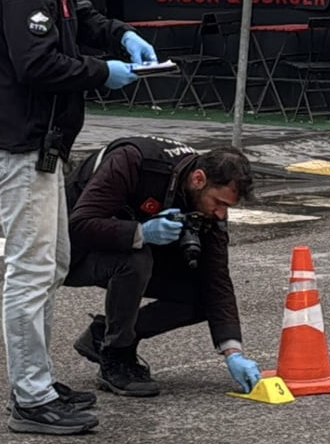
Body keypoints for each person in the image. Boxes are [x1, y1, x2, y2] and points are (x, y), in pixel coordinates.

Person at [0, 0, 155, 435]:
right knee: (31, 271)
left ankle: (39, 381)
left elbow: (75, 17)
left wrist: (121, 33)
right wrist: (106, 72)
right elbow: (38, 64)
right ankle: (30, 398)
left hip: (40, 142)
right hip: (21, 141)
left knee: (49, 265)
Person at [64, 137, 262, 398]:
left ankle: (102, 336)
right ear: (199, 179)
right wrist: (140, 232)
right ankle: (116, 357)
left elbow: (216, 278)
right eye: (220, 203)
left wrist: (233, 352)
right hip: (68, 253)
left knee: (204, 292)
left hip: (117, 246)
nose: (221, 215)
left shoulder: (202, 199)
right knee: (135, 259)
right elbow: (78, 225)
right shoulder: (134, 161)